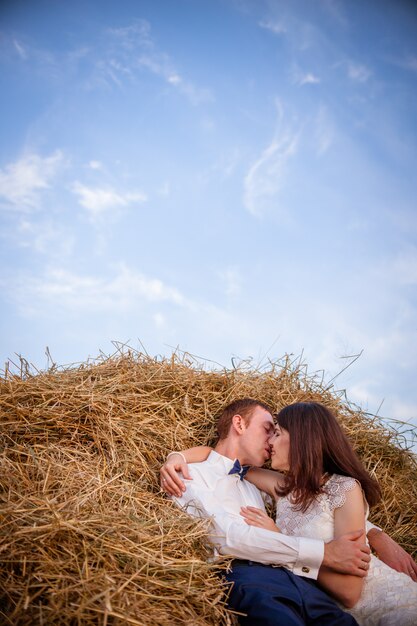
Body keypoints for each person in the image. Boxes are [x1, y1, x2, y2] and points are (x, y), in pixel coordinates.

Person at [161, 400, 417, 626]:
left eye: (277, 432)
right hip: (263, 577)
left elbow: (324, 507)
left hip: (335, 593)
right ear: (239, 424)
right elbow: (226, 469)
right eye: (268, 430)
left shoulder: (278, 484)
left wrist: (376, 534)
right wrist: (177, 456)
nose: (271, 440)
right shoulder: (198, 477)